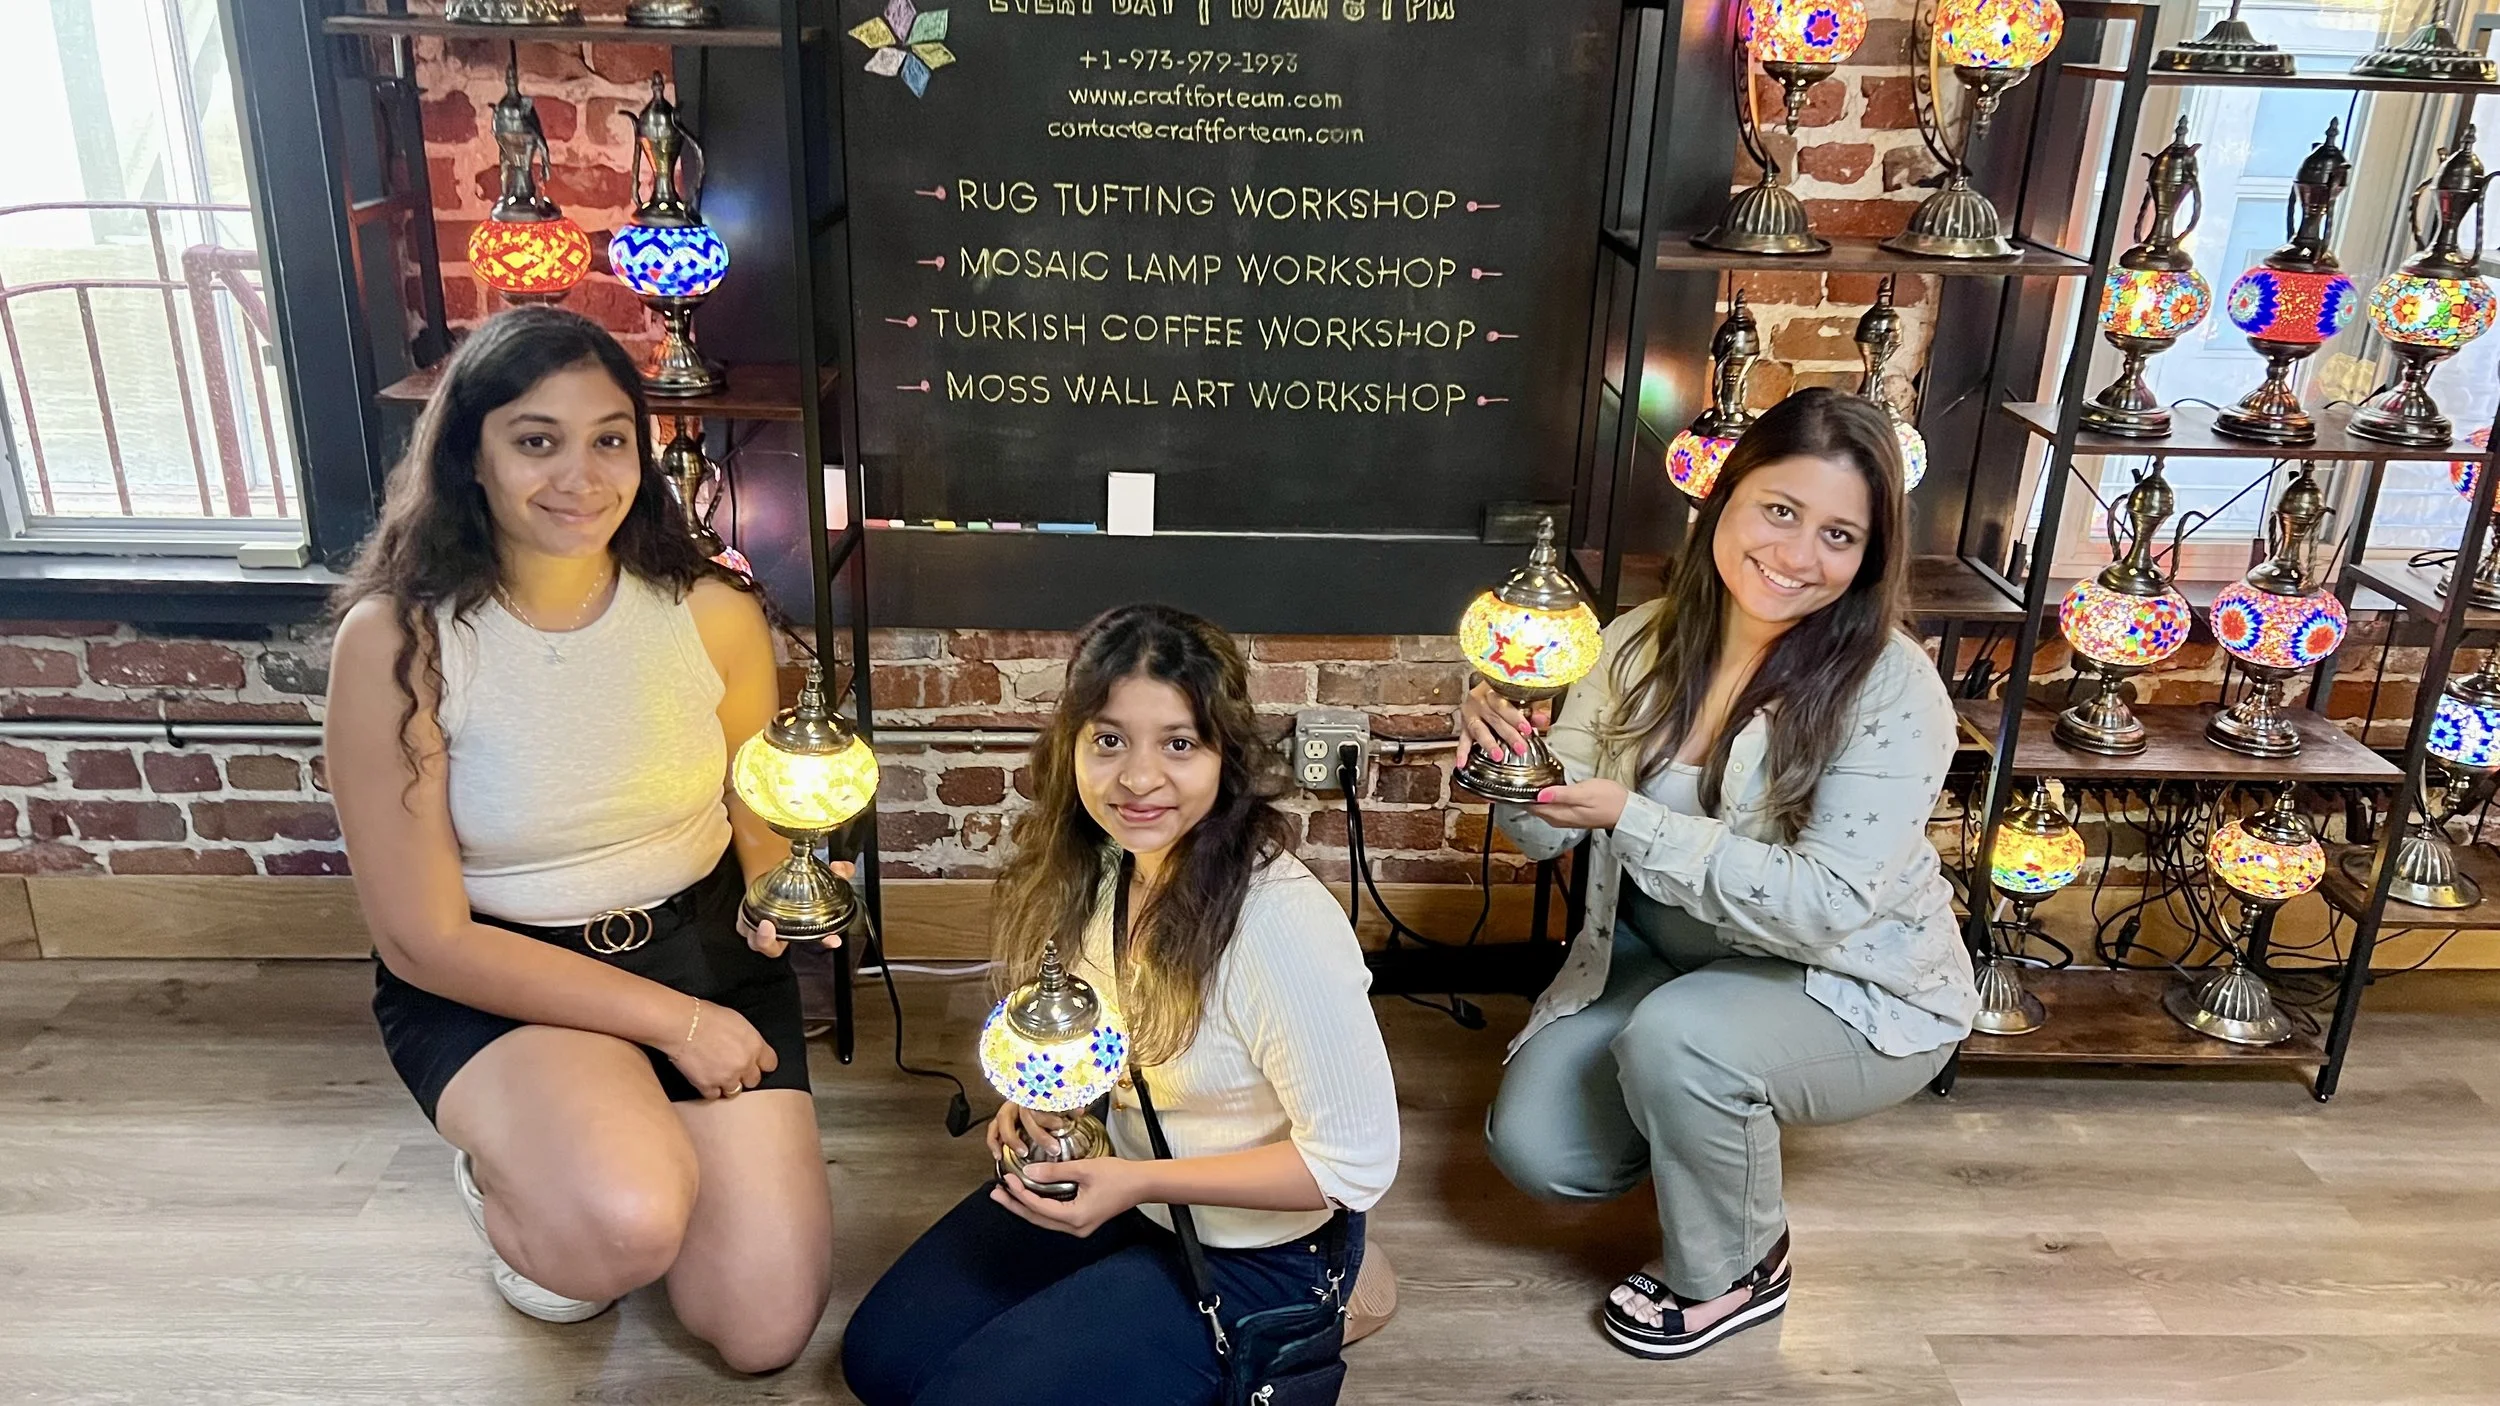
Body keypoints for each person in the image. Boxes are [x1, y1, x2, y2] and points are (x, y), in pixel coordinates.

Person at [326, 307, 832, 1372]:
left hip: (695, 942)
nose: (581, 474)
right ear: (470, 450)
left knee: (761, 1327)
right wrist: (676, 1024)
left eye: (609, 437)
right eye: (536, 438)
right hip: (499, 973)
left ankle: (617, 1136)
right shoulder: (398, 643)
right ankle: (525, 1181)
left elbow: (753, 794)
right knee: (620, 1226)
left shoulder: (709, 609)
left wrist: (769, 884)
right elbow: (424, 939)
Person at [1462, 387, 1974, 1361]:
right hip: (1669, 959)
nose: (1794, 554)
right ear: (1723, 499)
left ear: (1869, 554)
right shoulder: (1639, 640)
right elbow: (1544, 838)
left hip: (1849, 981)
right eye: (1778, 510)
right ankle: (1702, 1104)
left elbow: (1823, 907)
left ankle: (1735, 1266)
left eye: (1837, 533)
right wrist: (1511, 765)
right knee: (1539, 1147)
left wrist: (1635, 814)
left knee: (1684, 1040)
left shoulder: (1893, 687)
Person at [842, 604, 1399, 1406]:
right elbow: (1104, 1038)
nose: (1137, 779)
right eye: (1109, 740)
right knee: (882, 1361)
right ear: (1072, 745)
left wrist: (1136, 1184)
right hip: (1131, 1187)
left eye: (1178, 742)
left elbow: (1353, 1166)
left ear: (1226, 755)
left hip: (1250, 1247)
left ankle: (1342, 1295)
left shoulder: (1279, 924)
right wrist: (1035, 1102)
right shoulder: (1104, 863)